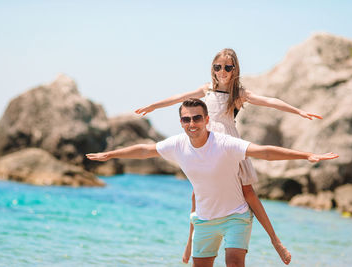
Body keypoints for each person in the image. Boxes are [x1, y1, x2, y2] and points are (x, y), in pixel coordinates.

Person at [87, 98, 337, 267]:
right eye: (186, 119)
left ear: (207, 120)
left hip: (236, 217)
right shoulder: (177, 145)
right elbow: (144, 150)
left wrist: (306, 155)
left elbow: (265, 152)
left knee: (234, 264)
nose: (192, 124)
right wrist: (111, 154)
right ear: (181, 122)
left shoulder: (225, 144)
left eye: (197, 118)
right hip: (205, 221)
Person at [135, 48, 322, 264]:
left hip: (228, 145)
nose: (222, 71)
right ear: (212, 69)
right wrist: (154, 106)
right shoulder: (205, 89)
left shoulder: (238, 94)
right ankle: (190, 243)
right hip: (206, 143)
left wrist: (298, 111)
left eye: (227, 67)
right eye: (217, 67)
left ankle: (275, 241)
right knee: (198, 194)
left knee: (248, 191)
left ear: (235, 70)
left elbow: (269, 101)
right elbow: (180, 97)